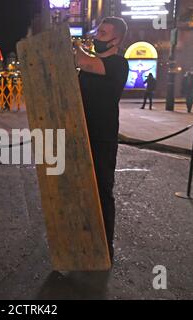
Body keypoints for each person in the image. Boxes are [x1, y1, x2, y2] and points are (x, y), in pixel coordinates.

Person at [74, 16, 129, 261]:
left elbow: (84, 62)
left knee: (102, 191)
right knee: (81, 190)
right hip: (81, 135)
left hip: (103, 138)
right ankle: (84, 240)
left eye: (103, 34)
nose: (97, 37)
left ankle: (105, 247)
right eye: (98, 32)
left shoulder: (118, 64)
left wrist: (75, 45)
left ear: (116, 39)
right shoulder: (90, 64)